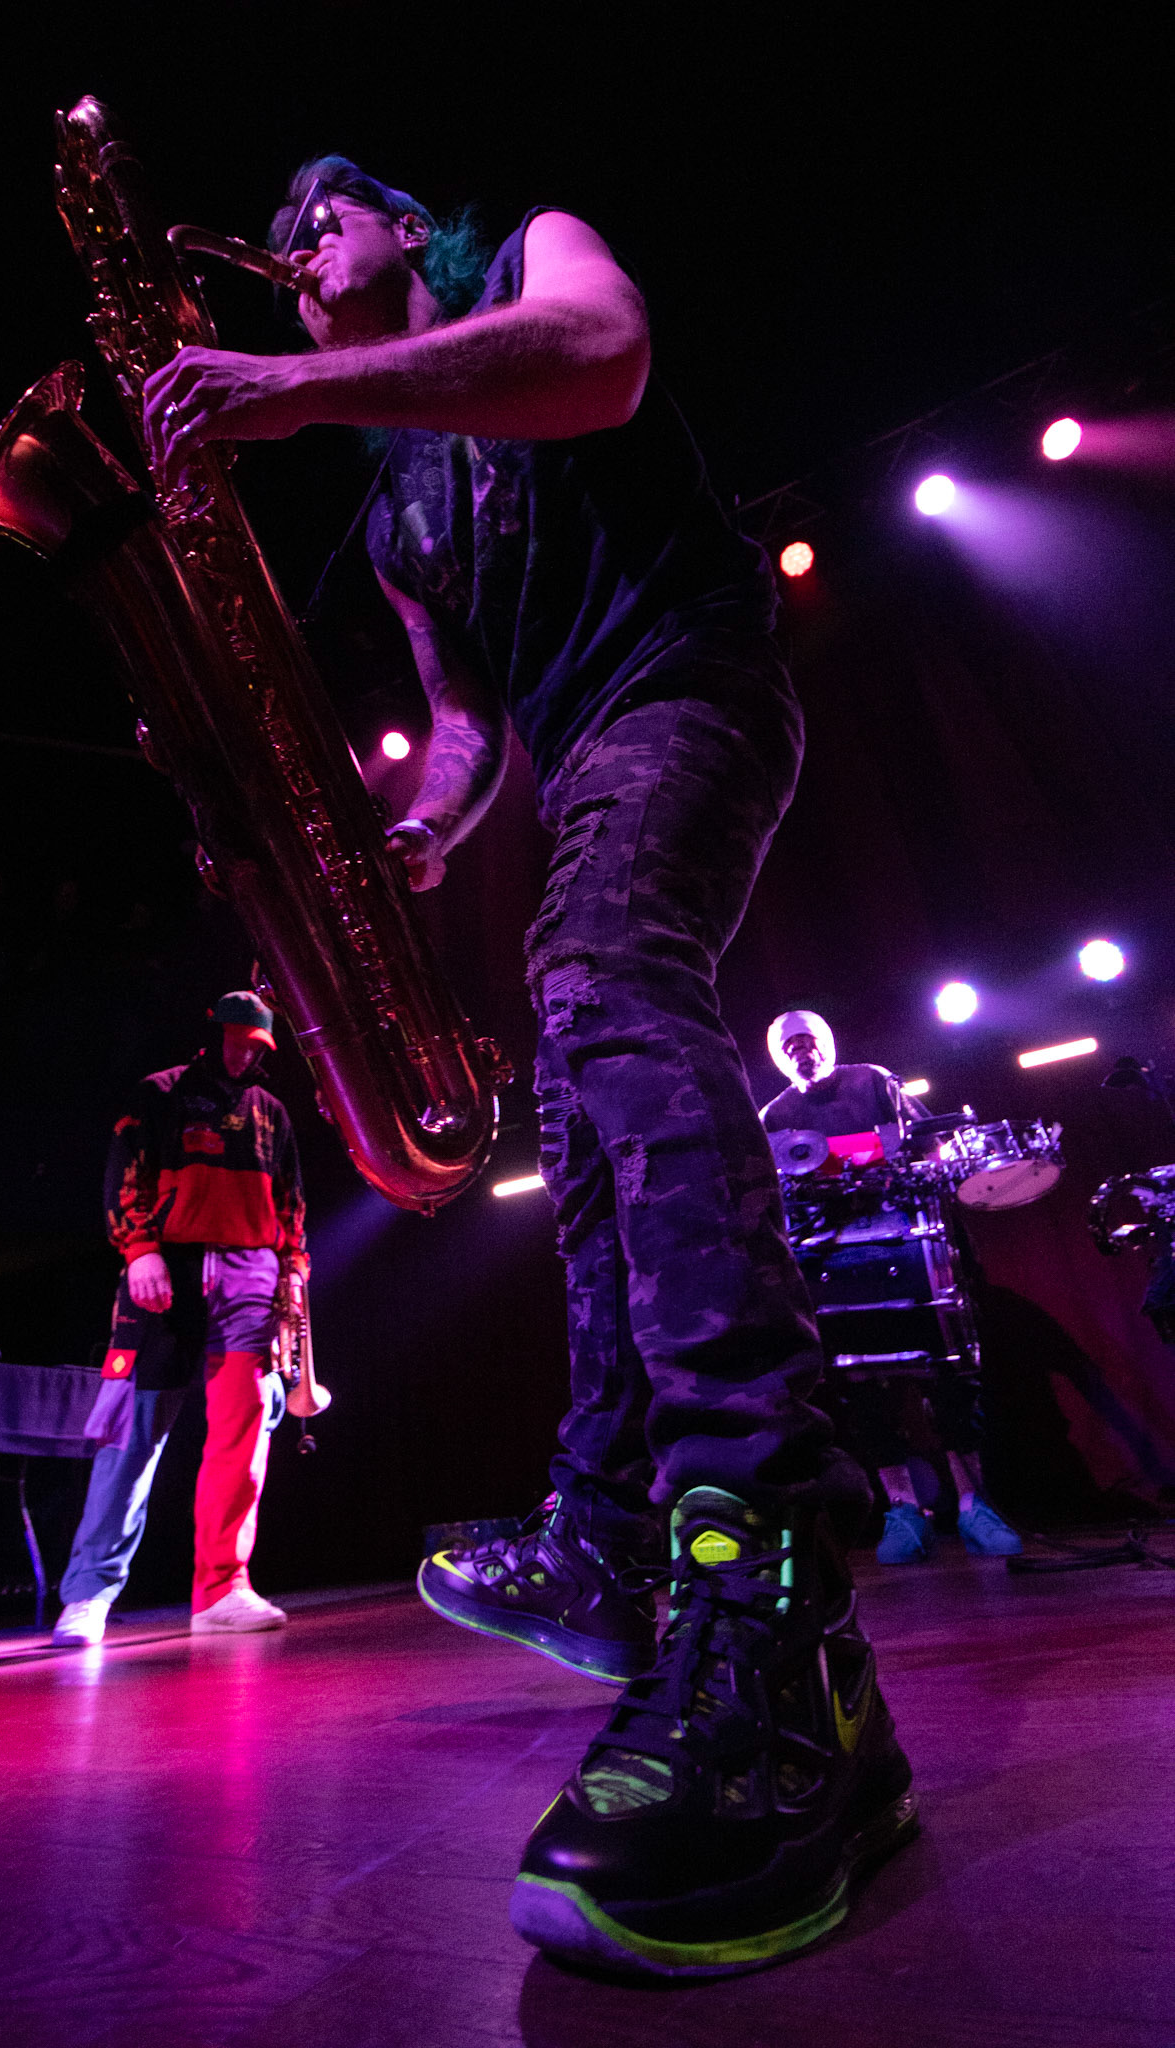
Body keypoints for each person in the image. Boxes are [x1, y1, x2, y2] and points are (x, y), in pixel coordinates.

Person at [140, 165, 914, 1980]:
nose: (296, 244)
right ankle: (611, 1519)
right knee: (578, 1080)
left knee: (601, 971)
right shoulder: (396, 507)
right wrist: (415, 826)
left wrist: (285, 391)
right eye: (284, 232)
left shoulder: (526, 260)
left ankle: (760, 1528)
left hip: (693, 685)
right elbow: (471, 722)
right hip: (577, 753)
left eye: (325, 211)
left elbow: (603, 353)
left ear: (407, 226)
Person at [53, 991, 308, 1645]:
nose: (245, 1053)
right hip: (168, 1271)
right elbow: (125, 1173)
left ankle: (222, 1590)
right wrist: (140, 1248)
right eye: (237, 1040)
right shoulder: (159, 1093)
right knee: (130, 1438)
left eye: (256, 1046)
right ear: (214, 1033)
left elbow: (290, 1199)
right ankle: (88, 1594)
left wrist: (293, 1269)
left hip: (251, 1276)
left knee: (243, 1438)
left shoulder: (271, 1111)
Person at [761, 1009, 1022, 1564]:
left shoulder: (873, 1082)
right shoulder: (775, 1115)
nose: (803, 1053)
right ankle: (902, 1510)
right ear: (778, 1058)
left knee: (951, 1378)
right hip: (835, 1260)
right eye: (790, 1048)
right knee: (861, 1388)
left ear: (828, 1043)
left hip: (908, 1241)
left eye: (809, 1042)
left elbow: (931, 1147)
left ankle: (974, 1504)